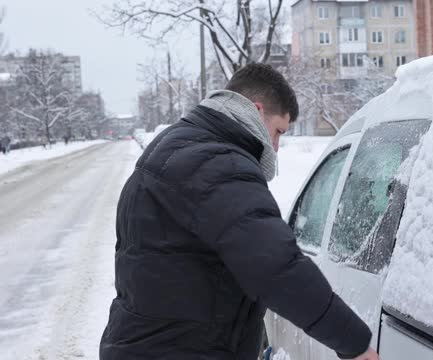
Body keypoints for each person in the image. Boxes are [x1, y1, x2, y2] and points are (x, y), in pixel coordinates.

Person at [100, 63, 379, 360]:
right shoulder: (219, 163)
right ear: (257, 111)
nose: (276, 146)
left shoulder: (175, 146)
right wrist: (355, 344)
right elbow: (276, 267)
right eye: (278, 132)